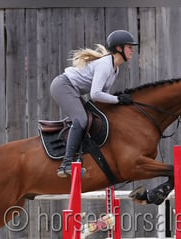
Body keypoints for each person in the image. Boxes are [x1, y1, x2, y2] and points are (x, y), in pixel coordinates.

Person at [50, 30, 138, 177]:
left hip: (71, 89)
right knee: (82, 119)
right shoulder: (105, 66)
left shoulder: (115, 69)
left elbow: (101, 97)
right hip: (63, 86)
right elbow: (95, 94)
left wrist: (118, 102)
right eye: (129, 46)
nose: (133, 50)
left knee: (91, 118)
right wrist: (118, 100)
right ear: (119, 48)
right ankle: (65, 165)